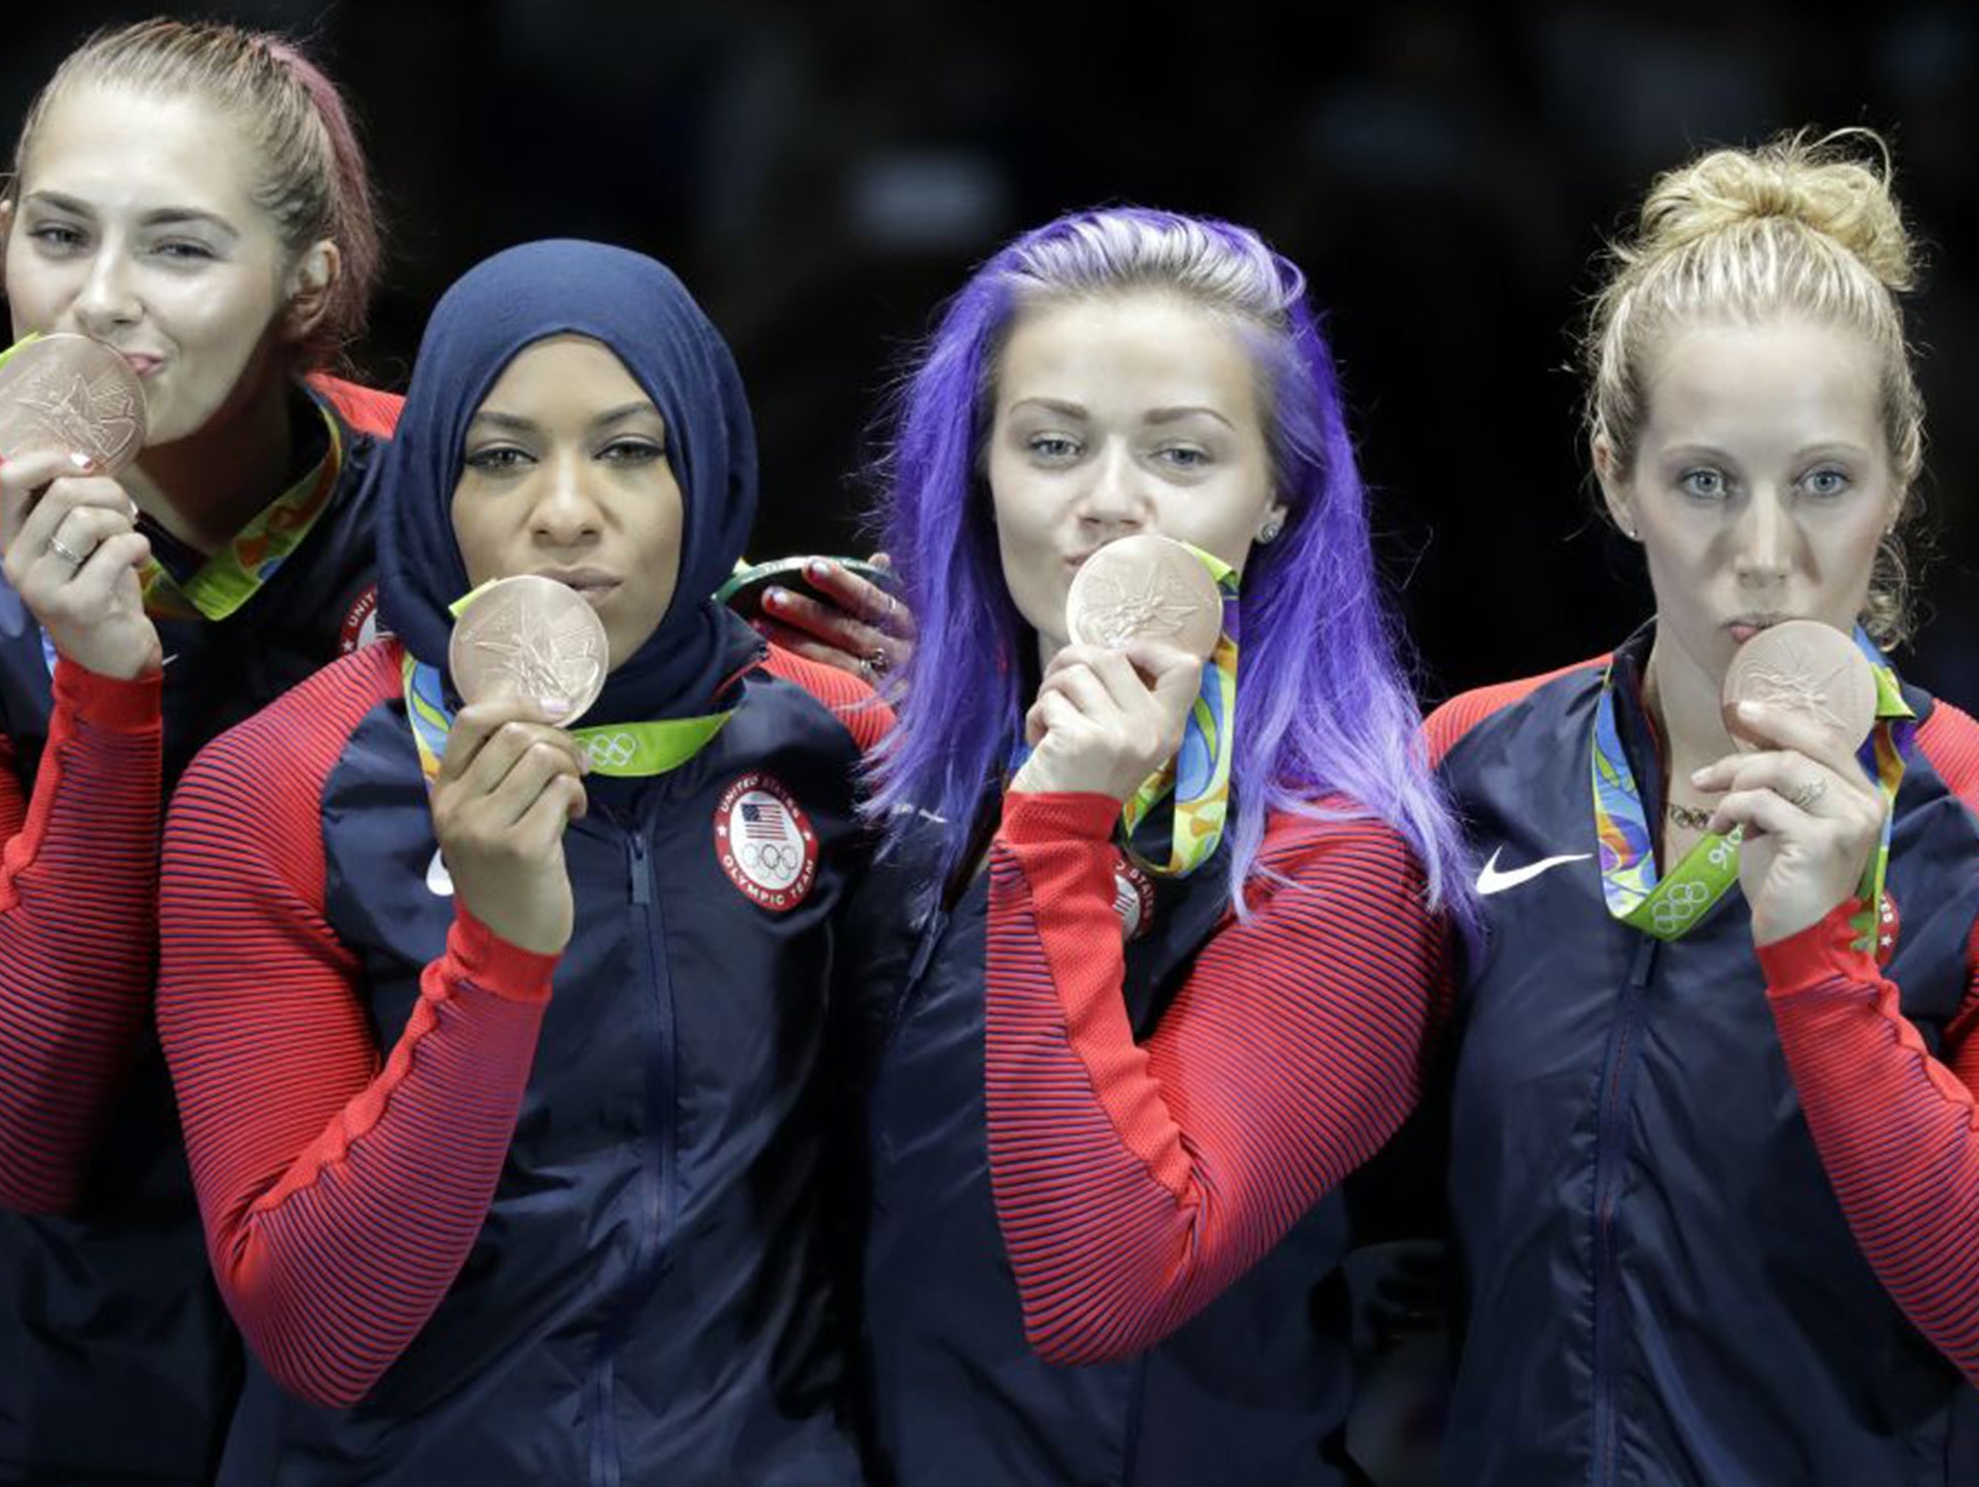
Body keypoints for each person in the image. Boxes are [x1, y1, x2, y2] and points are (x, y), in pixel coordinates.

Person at [157, 239, 883, 1485]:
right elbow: (312, 1329)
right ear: (434, 487)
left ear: (706, 473)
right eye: (500, 457)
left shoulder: (840, 742)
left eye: (628, 450)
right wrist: (496, 957)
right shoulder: (275, 787)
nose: (563, 509)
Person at [835, 206, 1467, 1485]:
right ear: (977, 469)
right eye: (1051, 444)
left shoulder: (1337, 864)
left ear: (1279, 492)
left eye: (1180, 455)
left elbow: (1102, 1286)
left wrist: (1061, 832)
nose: (1108, 505)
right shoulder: (902, 779)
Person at [1425, 131, 1979, 1486]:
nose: (1767, 555)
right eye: (1705, 480)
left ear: (1900, 480)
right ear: (1618, 476)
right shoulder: (1471, 765)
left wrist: (1821, 963)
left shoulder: (1970, 813)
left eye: (1826, 482)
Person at [0, 18, 392, 1482]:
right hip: (62, 1369)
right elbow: (12, 1132)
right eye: (59, 234)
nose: (100, 302)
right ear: (3, 238)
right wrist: (104, 694)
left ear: (307, 281)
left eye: (181, 250)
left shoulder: (459, 491)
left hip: (407, 1349)